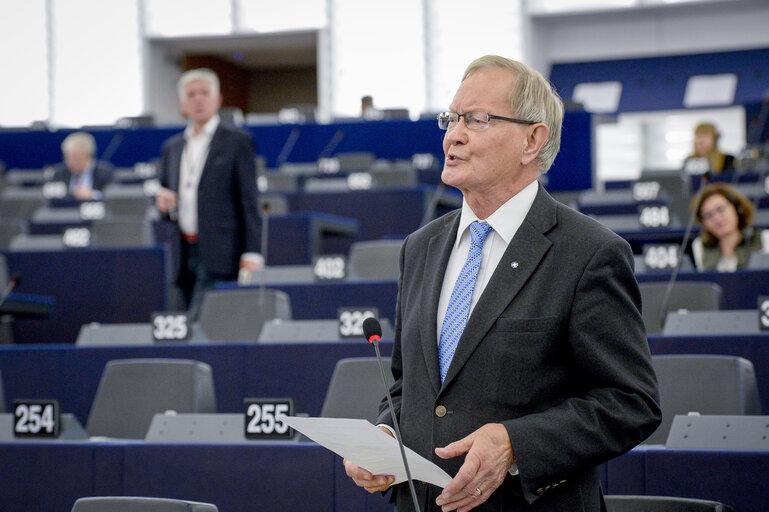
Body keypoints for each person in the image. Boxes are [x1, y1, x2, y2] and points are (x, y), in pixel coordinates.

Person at [344, 55, 661, 512]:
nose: (453, 135)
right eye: (451, 119)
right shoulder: (421, 246)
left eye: (477, 119)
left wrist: (516, 443)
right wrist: (386, 435)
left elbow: (630, 403)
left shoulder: (589, 252)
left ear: (532, 140)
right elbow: (407, 384)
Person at [155, 68, 262, 317]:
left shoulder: (237, 141)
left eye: (204, 93)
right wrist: (163, 204)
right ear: (182, 104)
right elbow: (166, 200)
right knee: (184, 318)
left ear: (218, 100)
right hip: (182, 253)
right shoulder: (172, 147)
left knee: (199, 321)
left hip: (221, 251)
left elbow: (249, 202)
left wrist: (252, 253)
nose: (198, 99)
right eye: (191, 94)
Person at [691, 183, 765, 271]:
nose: (717, 218)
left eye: (720, 209)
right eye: (708, 215)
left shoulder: (765, 238)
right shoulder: (699, 247)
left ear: (737, 208)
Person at [48, 131, 113, 200]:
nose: (71, 162)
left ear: (88, 156)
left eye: (76, 158)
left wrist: (93, 195)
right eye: (68, 157)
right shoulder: (58, 174)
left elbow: (113, 198)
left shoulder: (105, 173)